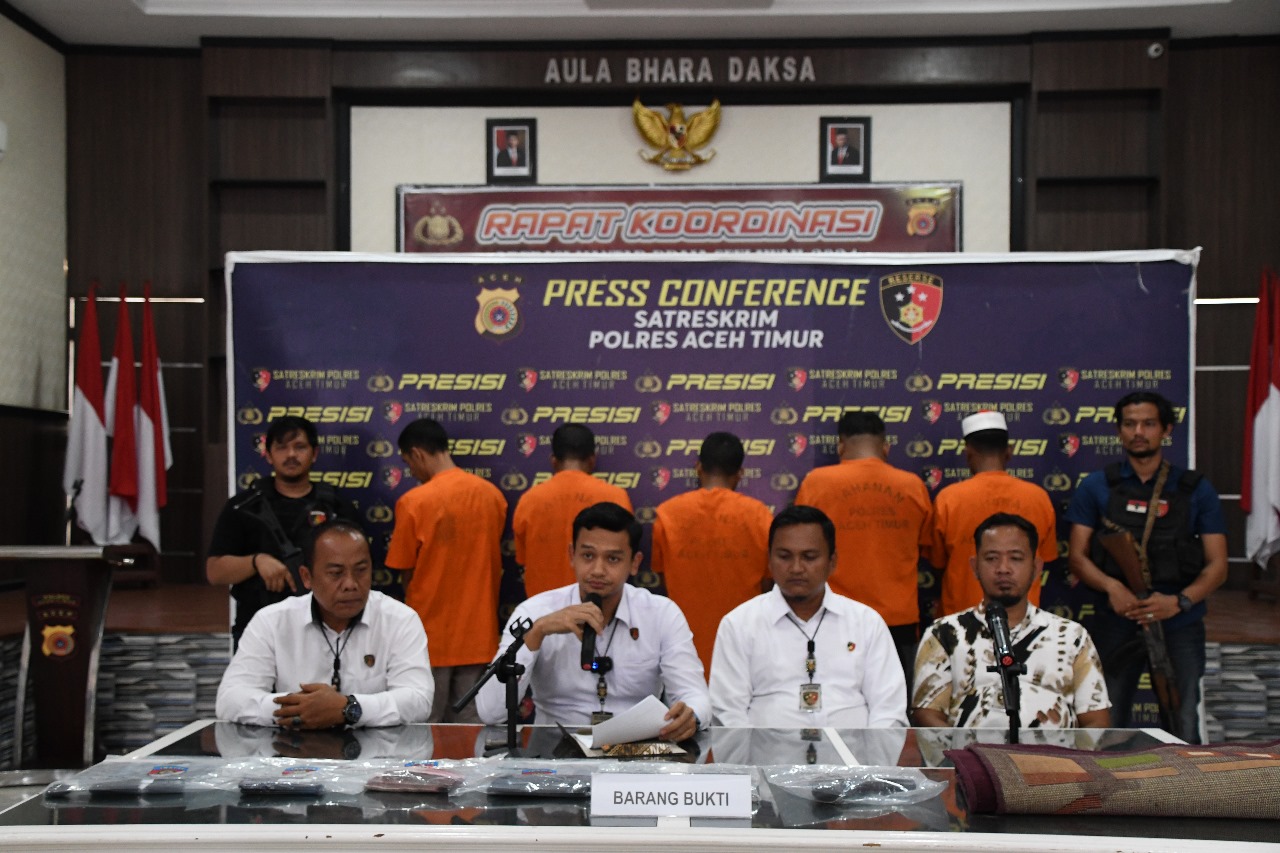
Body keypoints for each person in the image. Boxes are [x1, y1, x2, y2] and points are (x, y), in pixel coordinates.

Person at [1065, 392, 1227, 743]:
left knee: (1183, 719)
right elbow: (1077, 556)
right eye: (1130, 424)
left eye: (1149, 424)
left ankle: (1185, 780)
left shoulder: (1195, 489)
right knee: (1107, 720)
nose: (1138, 432)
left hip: (1178, 622)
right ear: (1119, 430)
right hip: (1117, 619)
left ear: (1166, 429)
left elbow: (1218, 565)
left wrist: (1179, 602)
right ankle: (1109, 780)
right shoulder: (1097, 486)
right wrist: (1113, 587)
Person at [475, 502, 710, 741]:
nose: (598, 570)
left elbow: (695, 695)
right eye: (588, 555)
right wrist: (537, 633)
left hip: (634, 749)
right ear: (572, 555)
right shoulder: (535, 612)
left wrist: (691, 716)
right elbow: (490, 712)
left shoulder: (661, 614)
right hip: (553, 751)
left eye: (613, 559)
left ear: (634, 563)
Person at [215, 519, 433, 729]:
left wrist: (349, 708)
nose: (350, 584)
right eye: (336, 573)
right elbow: (230, 699)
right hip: (293, 749)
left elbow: (418, 699)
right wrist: (300, 710)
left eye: (361, 570)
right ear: (306, 577)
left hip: (381, 752)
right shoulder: (272, 621)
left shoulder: (400, 620)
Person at [709, 505, 907, 728]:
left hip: (854, 749)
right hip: (766, 749)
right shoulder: (739, 624)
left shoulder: (866, 622)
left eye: (809, 557)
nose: (796, 568)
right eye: (784, 556)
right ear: (769, 560)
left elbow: (889, 710)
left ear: (832, 561)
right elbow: (728, 713)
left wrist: (870, 752)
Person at [911, 513, 1111, 729]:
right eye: (991, 558)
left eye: (1016, 558)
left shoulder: (1071, 636)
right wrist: (966, 750)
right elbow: (927, 715)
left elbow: (1096, 721)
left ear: (1036, 568)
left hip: (1054, 751)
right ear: (975, 567)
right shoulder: (944, 633)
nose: (1003, 568)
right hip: (968, 751)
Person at [385, 418, 508, 724]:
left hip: (429, 637)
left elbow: (404, 570)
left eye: (408, 463)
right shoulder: (492, 496)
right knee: (471, 729)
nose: (411, 472)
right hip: (479, 635)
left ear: (417, 454)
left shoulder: (413, 501)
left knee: (423, 730)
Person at [795, 411, 932, 682]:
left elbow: (798, 543)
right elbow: (929, 549)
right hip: (897, 620)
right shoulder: (913, 486)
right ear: (886, 448)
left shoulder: (816, 483)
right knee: (894, 703)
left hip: (833, 617)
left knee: (829, 699)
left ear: (840, 446)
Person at [206, 415, 358, 645]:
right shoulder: (243, 507)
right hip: (258, 630)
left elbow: (358, 570)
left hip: (325, 630)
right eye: (281, 448)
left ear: (314, 453)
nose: (291, 455)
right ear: (268, 455)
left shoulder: (337, 507)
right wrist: (256, 562)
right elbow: (215, 572)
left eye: (300, 447)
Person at [651, 431, 773, 672]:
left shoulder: (667, 514)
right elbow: (768, 583)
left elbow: (662, 577)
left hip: (683, 647)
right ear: (740, 473)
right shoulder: (760, 516)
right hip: (743, 646)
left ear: (698, 467)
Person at [928, 410, 1059, 616]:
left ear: (968, 452)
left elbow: (937, 563)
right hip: (1021, 619)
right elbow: (1046, 559)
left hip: (962, 620)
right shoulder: (1038, 498)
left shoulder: (949, 499)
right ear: (1009, 451)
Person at [512, 423, 632, 597]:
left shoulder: (529, 500)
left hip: (545, 607)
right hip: (600, 606)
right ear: (592, 460)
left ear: (553, 461)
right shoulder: (616, 497)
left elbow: (522, 559)